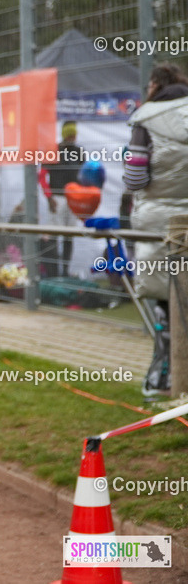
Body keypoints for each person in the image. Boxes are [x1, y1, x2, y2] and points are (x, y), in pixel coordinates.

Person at [123, 62, 188, 396]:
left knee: (165, 302)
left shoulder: (146, 119)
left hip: (161, 228)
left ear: (154, 86)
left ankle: (165, 382)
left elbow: (136, 177)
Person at [38, 121, 85, 278]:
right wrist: (49, 197)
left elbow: (85, 176)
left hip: (73, 199)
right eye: (70, 134)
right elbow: (42, 176)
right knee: (53, 236)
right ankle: (53, 272)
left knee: (69, 236)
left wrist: (82, 198)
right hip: (57, 199)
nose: (72, 137)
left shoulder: (79, 152)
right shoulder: (53, 151)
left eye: (74, 134)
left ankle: (64, 272)